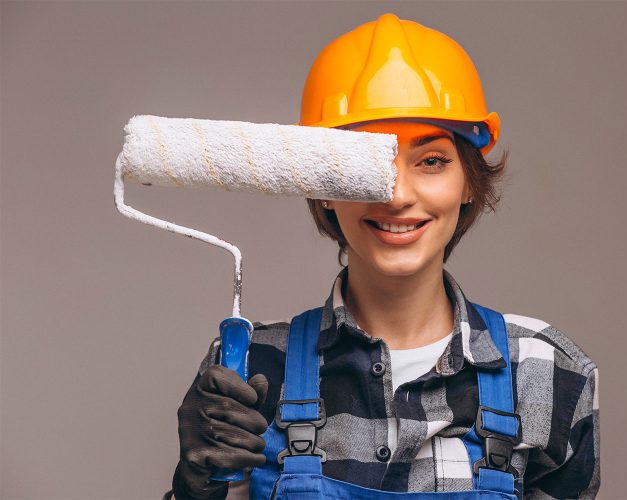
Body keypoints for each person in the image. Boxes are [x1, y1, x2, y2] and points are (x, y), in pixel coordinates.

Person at [167, 13, 599, 500]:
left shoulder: (547, 371)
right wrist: (195, 487)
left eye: (431, 161)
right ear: (321, 188)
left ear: (468, 184)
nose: (396, 196)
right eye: (365, 164)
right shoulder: (253, 367)